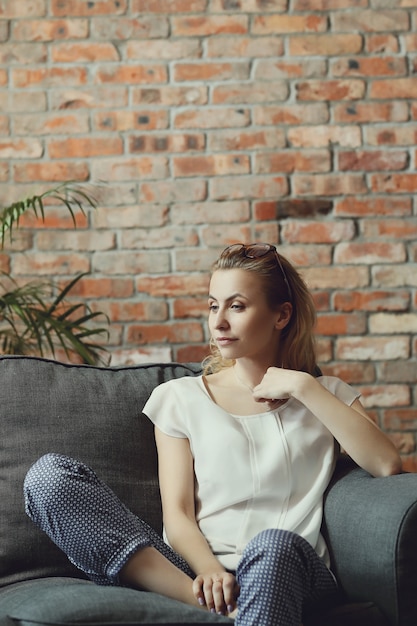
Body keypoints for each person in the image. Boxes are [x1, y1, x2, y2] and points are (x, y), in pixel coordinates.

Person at [24, 243, 402, 626]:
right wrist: (208, 572)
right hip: (193, 572)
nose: (219, 321)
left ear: (281, 315)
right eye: (212, 305)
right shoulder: (180, 398)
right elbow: (178, 514)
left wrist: (306, 387)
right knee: (49, 478)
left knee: (271, 545)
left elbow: (385, 463)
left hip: (288, 566)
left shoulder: (326, 395)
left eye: (236, 306)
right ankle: (214, 605)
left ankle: (237, 609)